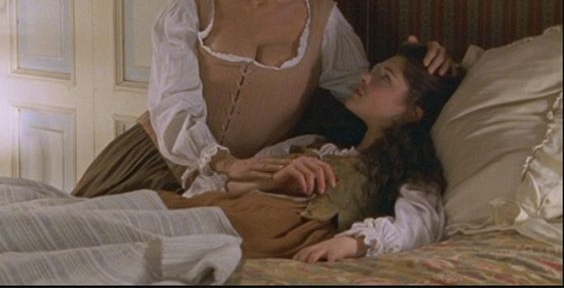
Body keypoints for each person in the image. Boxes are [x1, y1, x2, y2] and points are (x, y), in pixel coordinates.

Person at [72, 0, 456, 199]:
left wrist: (425, 63)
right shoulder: (189, 9)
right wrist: (223, 162)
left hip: (243, 183)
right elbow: (172, 106)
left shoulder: (324, 20)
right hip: (152, 160)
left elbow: (368, 93)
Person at [160, 42, 464, 261]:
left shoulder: (407, 170)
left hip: (255, 231)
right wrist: (271, 181)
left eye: (384, 78)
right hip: (214, 208)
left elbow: (420, 225)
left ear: (412, 112)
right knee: (139, 216)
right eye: (374, 71)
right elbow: (215, 188)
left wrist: (350, 244)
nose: (365, 78)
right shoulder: (313, 144)